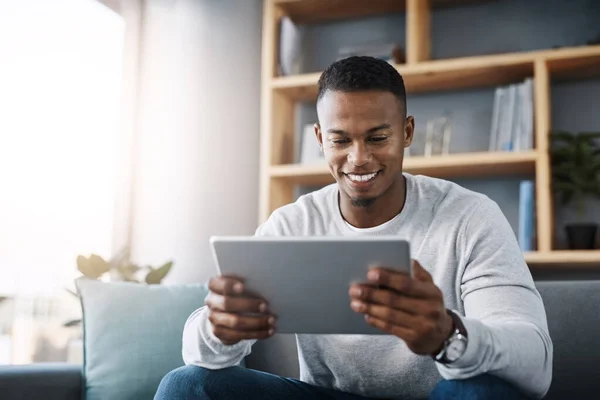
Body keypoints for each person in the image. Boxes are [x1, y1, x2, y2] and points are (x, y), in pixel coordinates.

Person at [155, 56, 553, 400]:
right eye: (340, 140)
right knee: (186, 386)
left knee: (481, 391)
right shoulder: (292, 224)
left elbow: (535, 362)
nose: (358, 158)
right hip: (326, 396)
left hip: (442, 394)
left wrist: (450, 335)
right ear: (319, 139)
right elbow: (200, 355)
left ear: (407, 132)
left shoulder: (470, 217)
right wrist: (219, 329)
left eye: (378, 137)